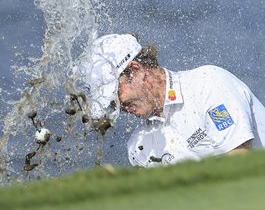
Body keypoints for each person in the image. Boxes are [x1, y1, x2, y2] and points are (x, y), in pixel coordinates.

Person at [75, 33, 265, 167]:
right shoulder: (139, 147)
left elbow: (239, 160)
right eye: (110, 103)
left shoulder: (208, 84)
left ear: (136, 71)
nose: (118, 105)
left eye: (115, 94)